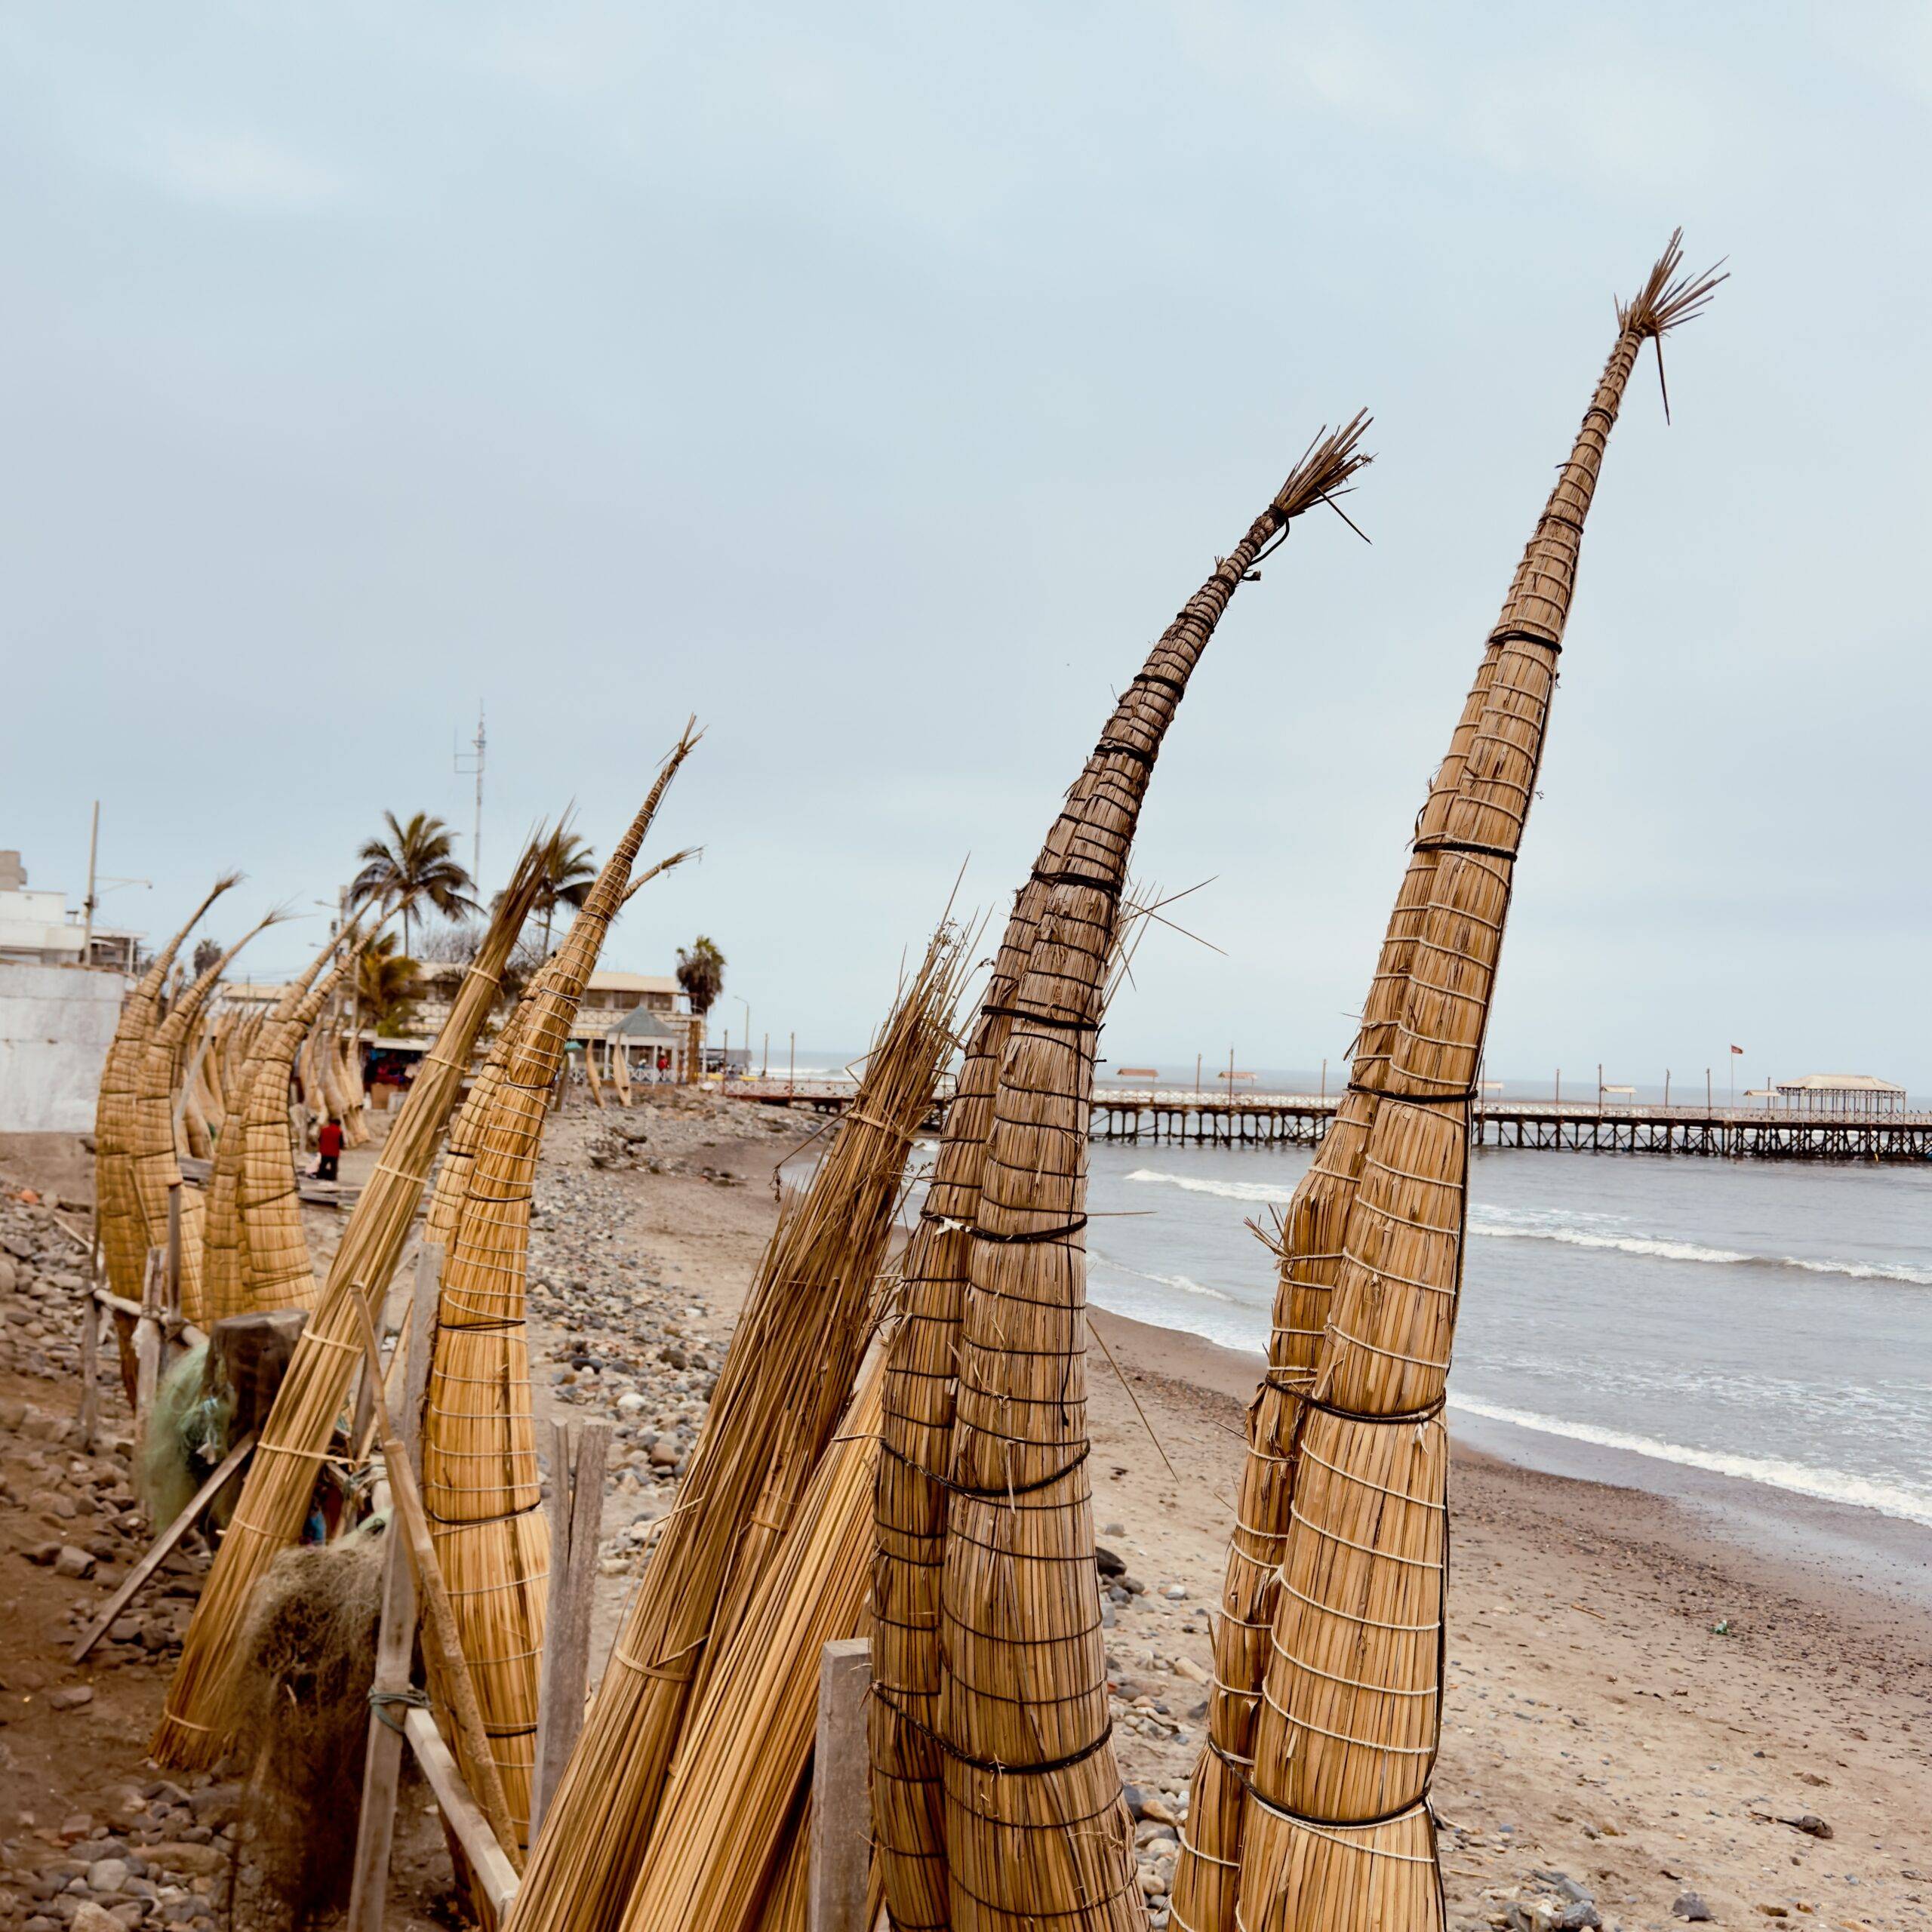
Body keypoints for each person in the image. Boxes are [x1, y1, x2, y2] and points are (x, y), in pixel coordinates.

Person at [316, 1115, 344, 1183]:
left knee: (323, 1165)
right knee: (333, 1166)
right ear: (339, 1124)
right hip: (334, 1153)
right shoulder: (339, 1132)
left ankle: (320, 1176)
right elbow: (341, 1143)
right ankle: (333, 1178)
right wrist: (340, 1148)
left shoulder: (324, 1130)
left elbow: (320, 1139)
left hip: (324, 1151)